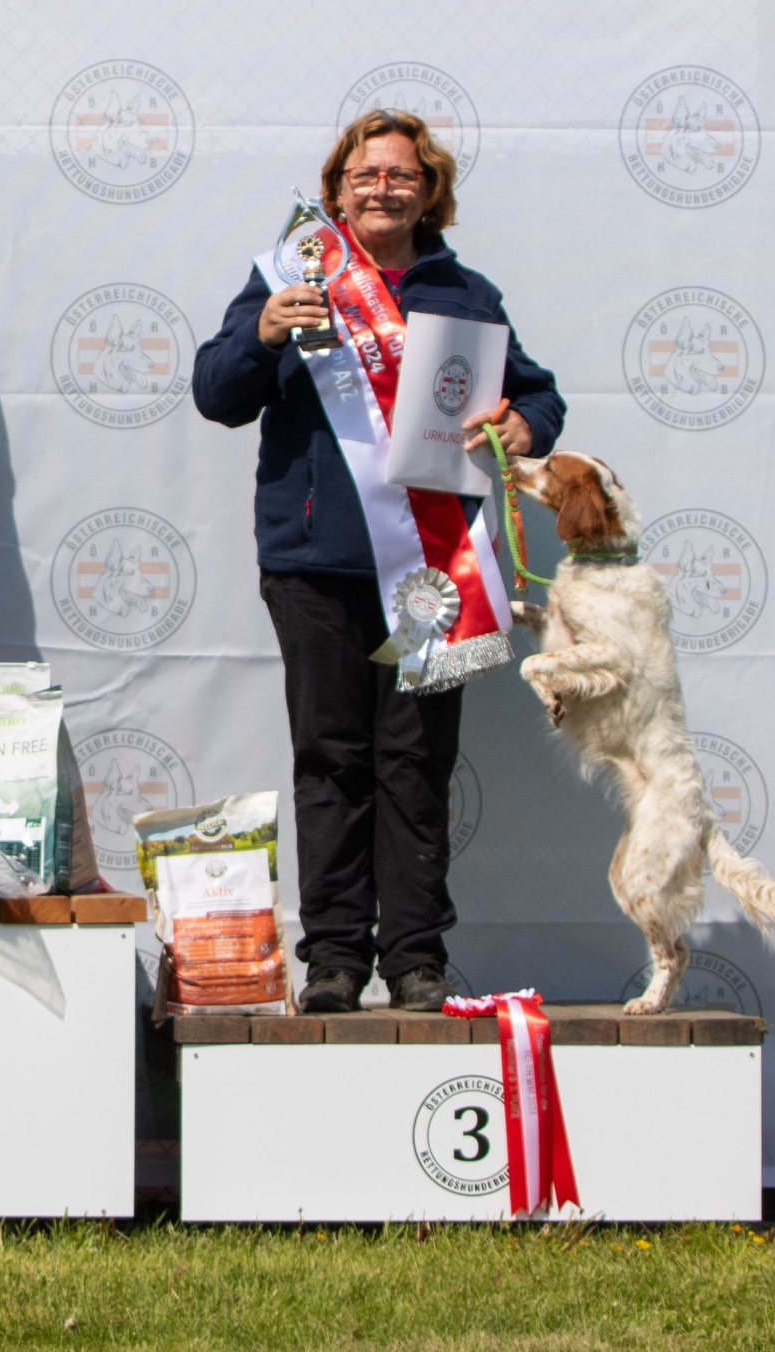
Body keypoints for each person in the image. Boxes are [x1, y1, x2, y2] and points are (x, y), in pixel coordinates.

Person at [191, 110, 564, 1013]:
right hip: (314, 565)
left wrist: (522, 424)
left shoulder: (466, 294)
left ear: (430, 191)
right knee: (330, 760)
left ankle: (415, 960)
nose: (382, 188)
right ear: (336, 189)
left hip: (435, 571)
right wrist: (261, 334)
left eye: (402, 174)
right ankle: (333, 960)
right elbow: (215, 393)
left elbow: (539, 398)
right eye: (365, 174)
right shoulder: (289, 276)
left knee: (416, 763)